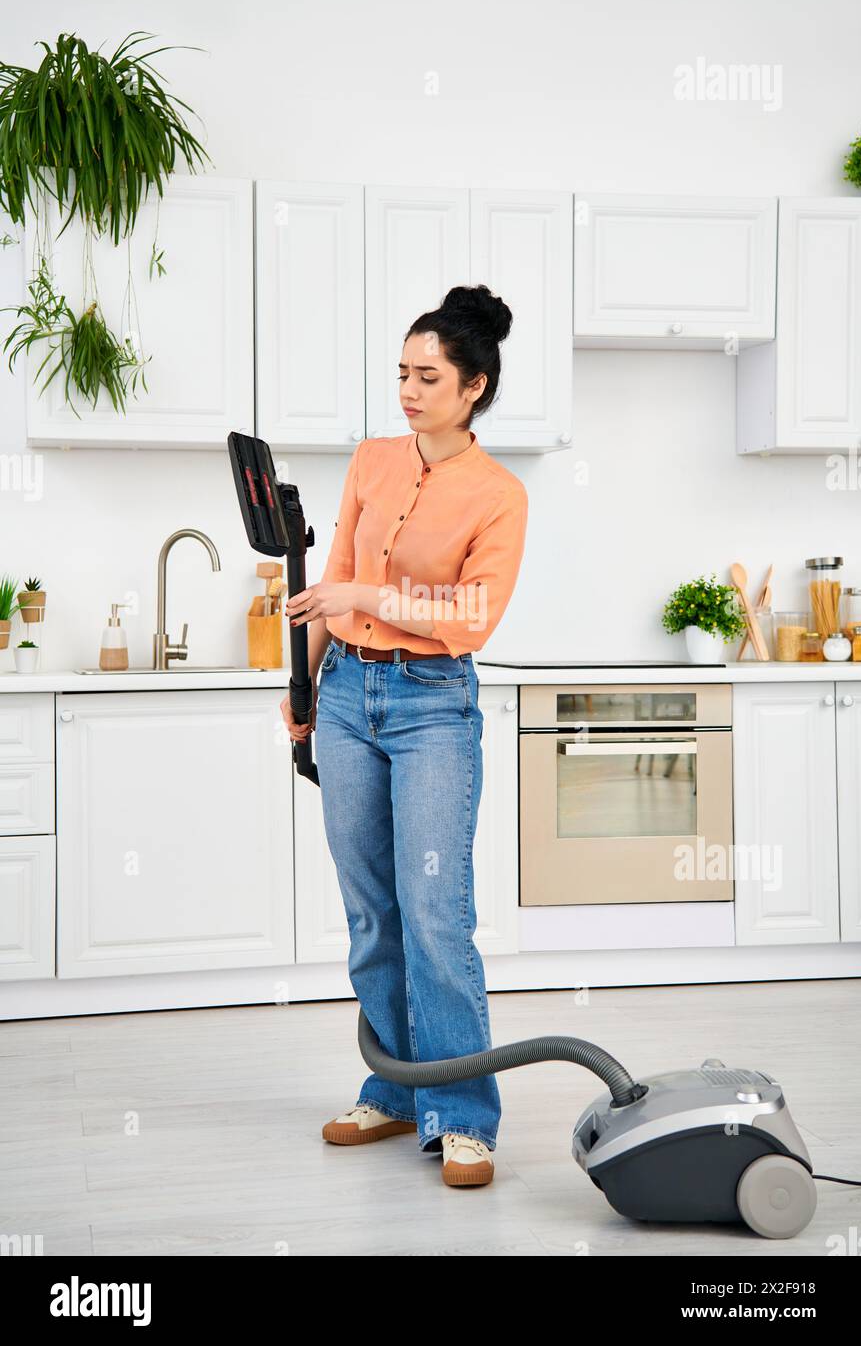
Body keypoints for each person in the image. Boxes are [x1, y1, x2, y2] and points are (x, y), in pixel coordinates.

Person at [281, 284, 529, 1187]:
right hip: (346, 697)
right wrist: (302, 685)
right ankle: (390, 1092)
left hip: (431, 707)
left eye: (428, 377)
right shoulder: (372, 461)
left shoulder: (499, 495)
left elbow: (469, 618)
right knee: (372, 911)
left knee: (434, 914)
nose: (409, 390)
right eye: (402, 373)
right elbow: (331, 578)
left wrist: (366, 601)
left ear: (474, 387)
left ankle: (463, 1117)